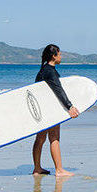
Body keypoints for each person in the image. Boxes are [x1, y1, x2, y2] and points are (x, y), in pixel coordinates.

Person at [32, 44, 79, 176]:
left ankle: (37, 169)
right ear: (54, 56)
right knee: (54, 137)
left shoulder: (42, 70)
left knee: (40, 138)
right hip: (50, 110)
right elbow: (58, 90)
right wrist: (69, 106)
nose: (61, 56)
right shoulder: (51, 71)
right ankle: (59, 170)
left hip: (41, 109)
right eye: (59, 54)